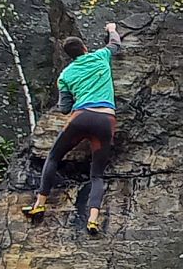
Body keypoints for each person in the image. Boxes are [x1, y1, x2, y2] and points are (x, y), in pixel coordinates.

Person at [24, 23, 124, 235]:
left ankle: (39, 204)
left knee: (53, 157)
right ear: (85, 47)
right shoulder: (101, 56)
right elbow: (116, 44)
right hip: (106, 120)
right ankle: (93, 220)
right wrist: (111, 28)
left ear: (69, 55)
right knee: (97, 175)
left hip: (81, 117)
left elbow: (64, 108)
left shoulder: (66, 75)